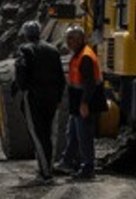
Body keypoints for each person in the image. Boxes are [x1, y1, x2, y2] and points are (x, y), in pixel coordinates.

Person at [12, 20, 65, 183]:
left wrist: (22, 89)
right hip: (52, 97)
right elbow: (61, 77)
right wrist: (58, 98)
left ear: (26, 34)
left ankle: (45, 174)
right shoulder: (53, 50)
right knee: (49, 133)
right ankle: (47, 167)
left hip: (34, 96)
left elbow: (21, 73)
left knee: (37, 133)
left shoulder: (25, 50)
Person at [60, 25, 105, 180]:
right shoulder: (78, 54)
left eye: (71, 38)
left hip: (86, 102)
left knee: (84, 136)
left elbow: (90, 84)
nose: (68, 42)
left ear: (79, 39)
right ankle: (68, 162)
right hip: (78, 102)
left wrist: (84, 104)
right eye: (67, 38)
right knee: (72, 133)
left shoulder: (85, 56)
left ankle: (88, 168)